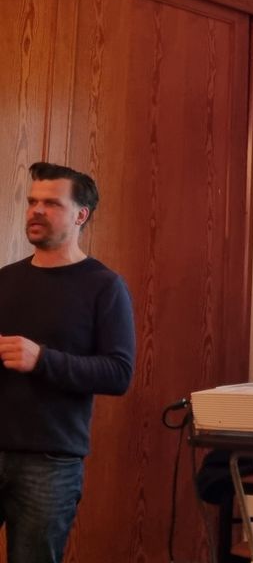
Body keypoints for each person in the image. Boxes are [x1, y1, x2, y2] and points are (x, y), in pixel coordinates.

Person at [0, 162, 135, 563]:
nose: (36, 211)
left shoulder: (104, 286)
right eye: (32, 202)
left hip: (50, 462)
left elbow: (118, 373)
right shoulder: (4, 280)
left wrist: (42, 360)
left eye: (51, 203)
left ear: (81, 215)